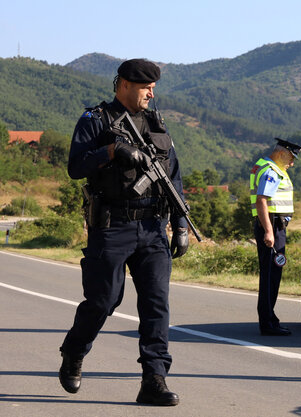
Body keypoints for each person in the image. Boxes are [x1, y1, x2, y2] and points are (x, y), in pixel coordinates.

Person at [59, 58, 189, 406]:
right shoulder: (95, 120)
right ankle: (74, 351)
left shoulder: (156, 123)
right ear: (124, 85)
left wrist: (180, 224)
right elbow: (75, 167)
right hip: (112, 226)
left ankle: (154, 379)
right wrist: (112, 150)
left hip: (152, 228)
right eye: (145, 86)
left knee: (156, 305)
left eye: (153, 87)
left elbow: (173, 176)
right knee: (103, 300)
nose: (151, 92)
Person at [250, 138, 301, 336]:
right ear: (281, 153)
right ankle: (268, 322)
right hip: (272, 225)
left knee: (272, 274)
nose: (292, 163)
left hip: (274, 225)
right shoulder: (271, 170)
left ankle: (270, 319)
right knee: (271, 276)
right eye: (291, 158)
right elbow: (262, 200)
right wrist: (269, 231)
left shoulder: (268, 167)